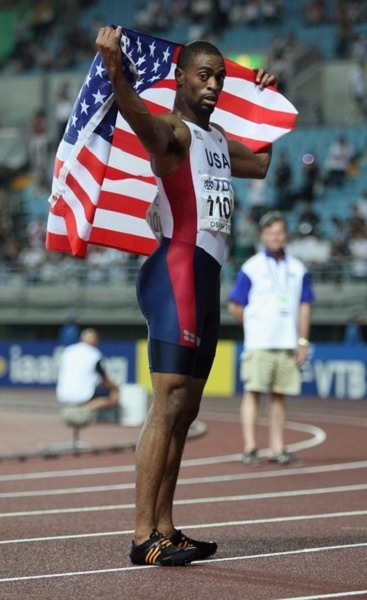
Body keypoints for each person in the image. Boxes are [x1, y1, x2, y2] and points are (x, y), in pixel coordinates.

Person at [96, 25, 277, 567]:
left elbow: (263, 162)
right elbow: (138, 119)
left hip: (207, 278)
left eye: (220, 78)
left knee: (186, 409)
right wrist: (115, 72)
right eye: (204, 75)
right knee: (168, 401)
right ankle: (141, 534)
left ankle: (167, 528)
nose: (214, 85)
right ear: (180, 79)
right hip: (175, 270)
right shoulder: (172, 132)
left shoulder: (218, 139)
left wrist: (264, 103)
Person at [227, 211, 315, 467]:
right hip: (259, 342)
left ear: (285, 235)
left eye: (279, 232)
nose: (276, 237)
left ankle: (277, 448)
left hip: (287, 342)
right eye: (270, 233)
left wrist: (302, 341)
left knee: (279, 397)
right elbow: (235, 305)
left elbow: (305, 306)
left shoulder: (298, 268)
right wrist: (253, 326)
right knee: (253, 393)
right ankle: (250, 447)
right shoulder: (251, 267)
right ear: (262, 236)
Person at [56, 327, 119, 415]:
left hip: (62, 394)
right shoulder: (94, 354)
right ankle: (84, 409)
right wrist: (116, 387)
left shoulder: (68, 351)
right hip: (84, 395)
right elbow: (105, 380)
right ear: (95, 341)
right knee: (114, 394)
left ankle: (75, 409)